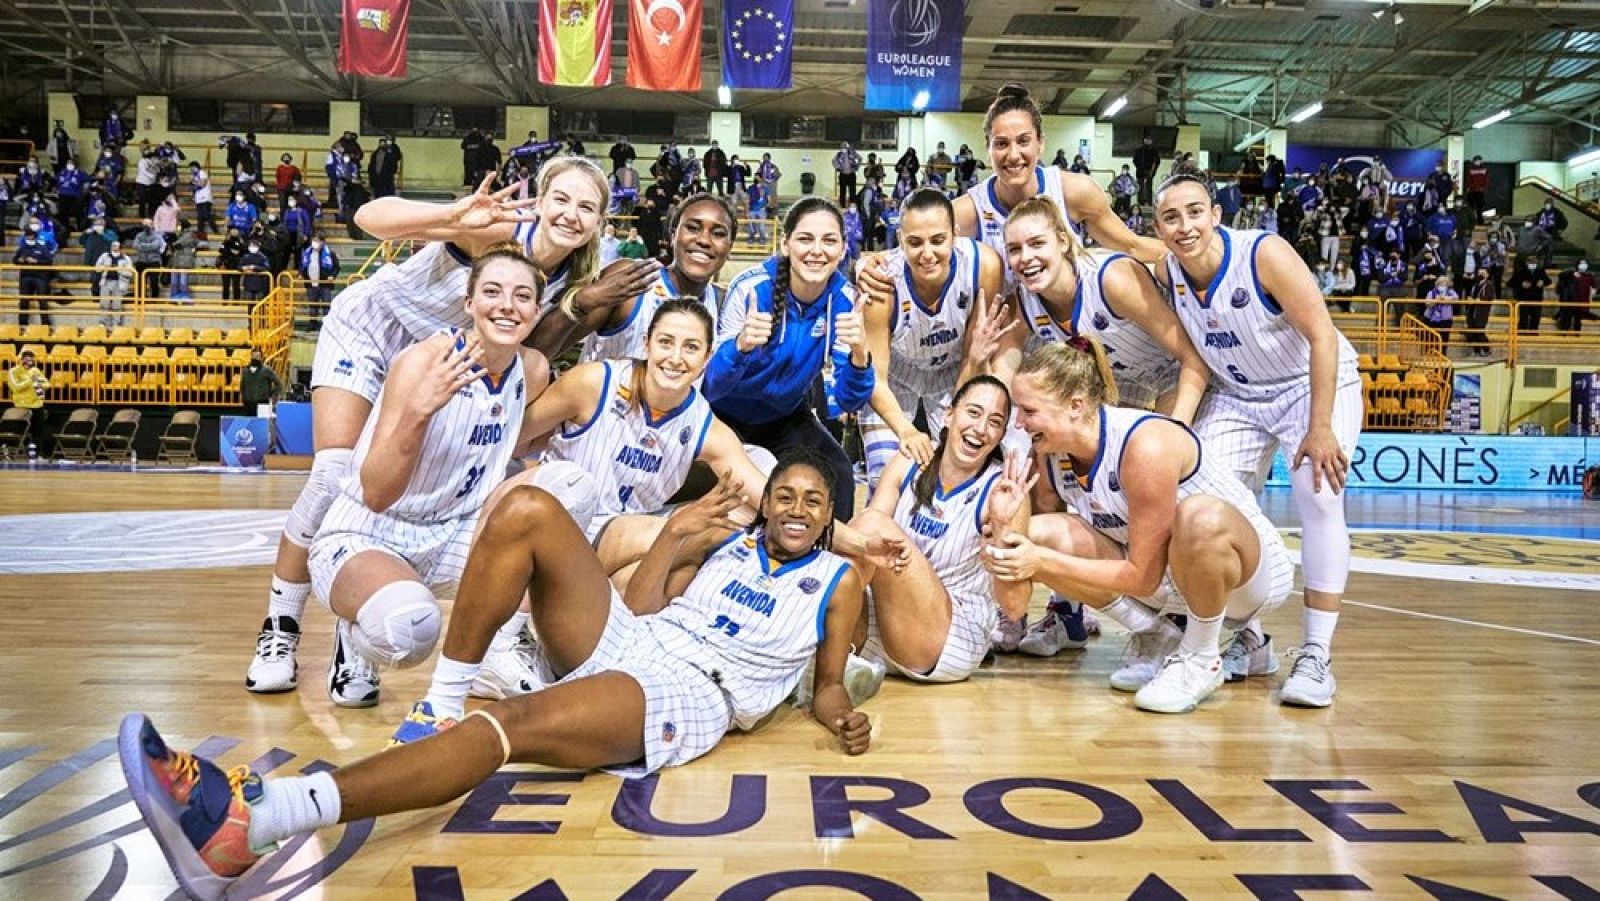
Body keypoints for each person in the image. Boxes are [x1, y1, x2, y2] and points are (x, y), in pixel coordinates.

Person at [119, 450, 872, 897]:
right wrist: (675, 534)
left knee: (509, 724)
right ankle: (442, 702)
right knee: (528, 508)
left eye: (812, 500)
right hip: (646, 642)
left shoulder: (838, 580)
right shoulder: (727, 545)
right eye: (784, 494)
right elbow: (639, 610)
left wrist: (839, 714)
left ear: (829, 514)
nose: (796, 507)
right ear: (765, 504)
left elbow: (830, 679)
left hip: (694, 691)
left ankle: (259, 820)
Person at [242, 160, 636, 697]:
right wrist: (451, 216)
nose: (571, 214)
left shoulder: (574, 278)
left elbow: (531, 358)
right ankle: (281, 627)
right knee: (334, 474)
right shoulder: (498, 229)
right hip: (376, 329)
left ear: (599, 223)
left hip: (446, 359)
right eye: (561, 199)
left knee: (446, 479)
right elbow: (369, 217)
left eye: (586, 207)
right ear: (541, 200)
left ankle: (376, 619)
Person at [984, 341, 1294, 713]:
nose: (1019, 423)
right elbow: (1023, 585)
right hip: (1171, 579)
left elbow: (1143, 577)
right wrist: (1007, 528)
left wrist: (1041, 562)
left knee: (1198, 516)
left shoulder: (1144, 444)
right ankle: (1156, 635)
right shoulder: (1051, 456)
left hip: (1248, 581)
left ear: (1076, 406)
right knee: (1040, 535)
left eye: (1029, 410)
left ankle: (1200, 659)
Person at [1153, 170, 1363, 708]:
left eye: (1195, 212)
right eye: (1171, 217)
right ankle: (1250, 640)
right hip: (1238, 394)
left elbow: (1322, 334)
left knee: (1320, 493)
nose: (1184, 225)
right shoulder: (1167, 271)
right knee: (1200, 505)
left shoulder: (1263, 253)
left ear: (1216, 215)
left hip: (1309, 385)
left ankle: (1316, 655)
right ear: (1159, 227)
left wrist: (1320, 425)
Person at [858, 84, 1164, 307]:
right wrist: (865, 265)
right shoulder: (969, 209)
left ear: (1041, 143)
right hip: (1007, 337)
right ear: (988, 149)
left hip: (1069, 335)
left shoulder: (1074, 191)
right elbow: (913, 249)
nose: (1013, 155)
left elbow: (1132, 245)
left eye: (1023, 141)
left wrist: (1188, 254)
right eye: (1002, 144)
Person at [849, 376, 1030, 683]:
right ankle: (827, 660)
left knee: (872, 524)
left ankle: (827, 667)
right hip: (887, 625)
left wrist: (1001, 532)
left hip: (949, 640)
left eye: (995, 422)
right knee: (852, 550)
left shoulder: (1004, 490)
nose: (981, 428)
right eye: (973, 413)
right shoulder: (910, 458)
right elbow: (860, 544)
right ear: (948, 415)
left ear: (1001, 435)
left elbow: (1015, 608)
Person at [704, 197, 874, 522]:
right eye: (805, 239)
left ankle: (829, 551)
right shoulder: (751, 288)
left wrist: (859, 355)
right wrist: (739, 348)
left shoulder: (845, 301)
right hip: (723, 415)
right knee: (745, 495)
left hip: (783, 416)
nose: (817, 251)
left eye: (829, 241)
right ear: (786, 244)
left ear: (842, 249)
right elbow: (712, 386)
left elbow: (848, 401)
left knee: (838, 471)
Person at [993, 196, 1210, 417]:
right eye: (1014, 249)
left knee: (1161, 437)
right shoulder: (1022, 303)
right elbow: (1003, 371)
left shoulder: (1112, 279)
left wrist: (1177, 427)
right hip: (1117, 381)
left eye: (1037, 243)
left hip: (1176, 370)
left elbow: (1191, 357)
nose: (1026, 257)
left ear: (1063, 242)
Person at [855, 188, 1005, 485]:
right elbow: (875, 378)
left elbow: (972, 355)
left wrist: (953, 421)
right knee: (886, 477)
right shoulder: (882, 282)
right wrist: (907, 432)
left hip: (953, 373)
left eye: (938, 240)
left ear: (955, 235)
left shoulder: (983, 265)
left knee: (957, 474)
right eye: (915, 242)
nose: (927, 254)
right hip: (895, 378)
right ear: (900, 239)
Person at [576, 193, 734, 364]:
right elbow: (557, 343)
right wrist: (580, 302)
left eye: (718, 233)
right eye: (693, 228)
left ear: (729, 248)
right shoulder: (632, 278)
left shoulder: (724, 305)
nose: (704, 240)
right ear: (673, 236)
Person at [12, 222, 56, 327]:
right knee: (24, 300)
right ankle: (22, 323)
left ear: (34, 236)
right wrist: (20, 260)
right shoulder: (22, 248)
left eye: (30, 235)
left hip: (40, 277)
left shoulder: (42, 248)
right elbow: (14, 260)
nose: (29, 237)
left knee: (42, 300)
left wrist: (37, 261)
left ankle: (45, 323)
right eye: (27, 236)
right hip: (25, 277)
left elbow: (49, 261)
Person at [7, 349, 48, 454]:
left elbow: (47, 384)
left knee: (39, 431)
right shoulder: (13, 371)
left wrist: (39, 384)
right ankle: (15, 452)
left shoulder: (36, 370)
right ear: (22, 360)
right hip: (22, 406)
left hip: (37, 405)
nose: (29, 362)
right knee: (20, 431)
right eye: (26, 359)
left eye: (31, 360)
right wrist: (30, 380)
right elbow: (15, 387)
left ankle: (38, 453)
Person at [298, 233, 340, 328]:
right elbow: (302, 265)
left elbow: (336, 267)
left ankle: (327, 325)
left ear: (322, 242)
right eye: (314, 240)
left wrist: (332, 276)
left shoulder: (330, 254)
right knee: (313, 305)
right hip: (311, 283)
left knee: (326, 305)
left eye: (317, 241)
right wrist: (301, 273)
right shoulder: (307, 253)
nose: (315, 243)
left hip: (325, 284)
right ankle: (312, 323)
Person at [1510, 256, 1550, 334]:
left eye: (1534, 263)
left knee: (1536, 318)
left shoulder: (1540, 271)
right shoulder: (1521, 271)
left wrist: (1543, 282)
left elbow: (1548, 281)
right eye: (1531, 262)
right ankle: (1521, 333)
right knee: (1523, 318)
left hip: (1537, 299)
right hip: (1524, 298)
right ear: (1527, 263)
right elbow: (1510, 282)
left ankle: (1533, 333)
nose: (1533, 264)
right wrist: (1521, 284)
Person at [239, 348, 283, 415]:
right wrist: (243, 397)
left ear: (261, 358)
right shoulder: (245, 370)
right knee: (249, 421)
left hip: (262, 403)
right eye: (253, 356)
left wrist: (271, 394)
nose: (255, 358)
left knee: (262, 421)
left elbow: (279, 384)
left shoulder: (266, 370)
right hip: (248, 403)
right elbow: (242, 385)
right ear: (251, 357)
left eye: (257, 356)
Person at [1556, 260, 1594, 333]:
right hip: (1569, 300)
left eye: (1585, 263)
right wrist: (1572, 272)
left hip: (1580, 302)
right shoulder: (1571, 273)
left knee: (1577, 320)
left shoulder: (1589, 276)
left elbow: (1593, 287)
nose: (1583, 265)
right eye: (1581, 263)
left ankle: (1577, 334)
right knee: (1566, 319)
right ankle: (1564, 333)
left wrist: (1591, 295)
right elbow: (1561, 275)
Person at [1424, 274, 1458, 342]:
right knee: (1431, 340)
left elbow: (1456, 299)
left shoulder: (1450, 292)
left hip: (1445, 320)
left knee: (1444, 339)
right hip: (1431, 319)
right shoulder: (1431, 292)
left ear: (1447, 284)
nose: (1442, 284)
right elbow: (1427, 304)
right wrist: (1436, 300)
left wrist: (1444, 298)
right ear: (1437, 284)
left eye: (1444, 283)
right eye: (1440, 283)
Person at [1132, 134, 1161, 207]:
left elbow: (1157, 162)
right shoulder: (1139, 150)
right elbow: (1135, 161)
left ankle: (1149, 203)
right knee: (1140, 188)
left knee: (1149, 188)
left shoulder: (1154, 151)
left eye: (1149, 140)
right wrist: (1142, 169)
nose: (1148, 141)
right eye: (1146, 140)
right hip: (1140, 172)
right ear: (1144, 141)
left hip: (1150, 173)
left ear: (1151, 141)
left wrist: (1152, 171)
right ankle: (1140, 203)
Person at [833, 142, 861, 209]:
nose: (843, 148)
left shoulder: (852, 153)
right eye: (842, 147)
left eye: (844, 147)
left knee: (852, 191)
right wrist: (838, 167)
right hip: (843, 175)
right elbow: (833, 161)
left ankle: (852, 206)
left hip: (851, 174)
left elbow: (859, 158)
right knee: (842, 191)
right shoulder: (839, 154)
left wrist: (856, 166)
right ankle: (842, 206)